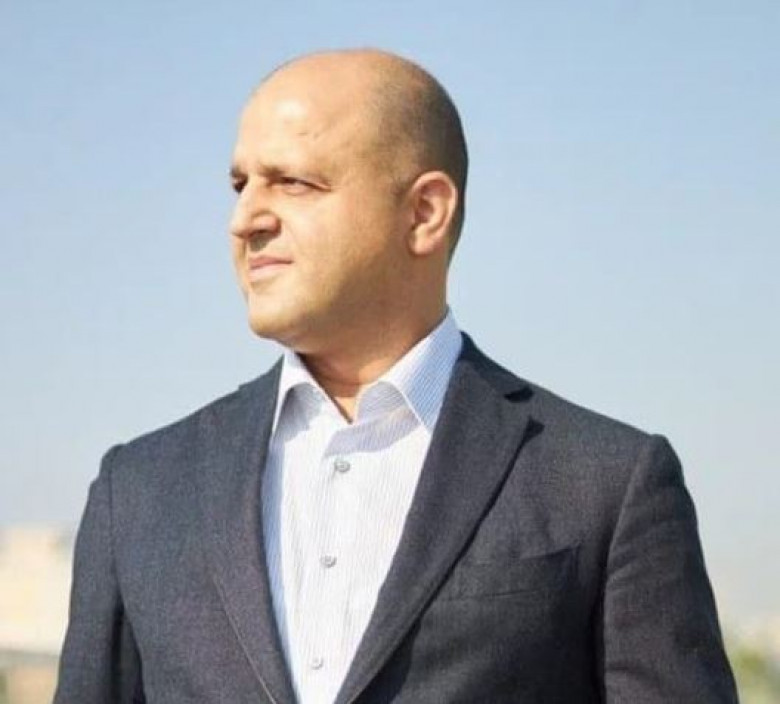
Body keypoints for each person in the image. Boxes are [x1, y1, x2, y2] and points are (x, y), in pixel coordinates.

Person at [54, 49, 738, 703]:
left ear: (424, 213)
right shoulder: (138, 492)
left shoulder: (605, 484)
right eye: (241, 185)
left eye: (293, 182)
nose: (245, 220)